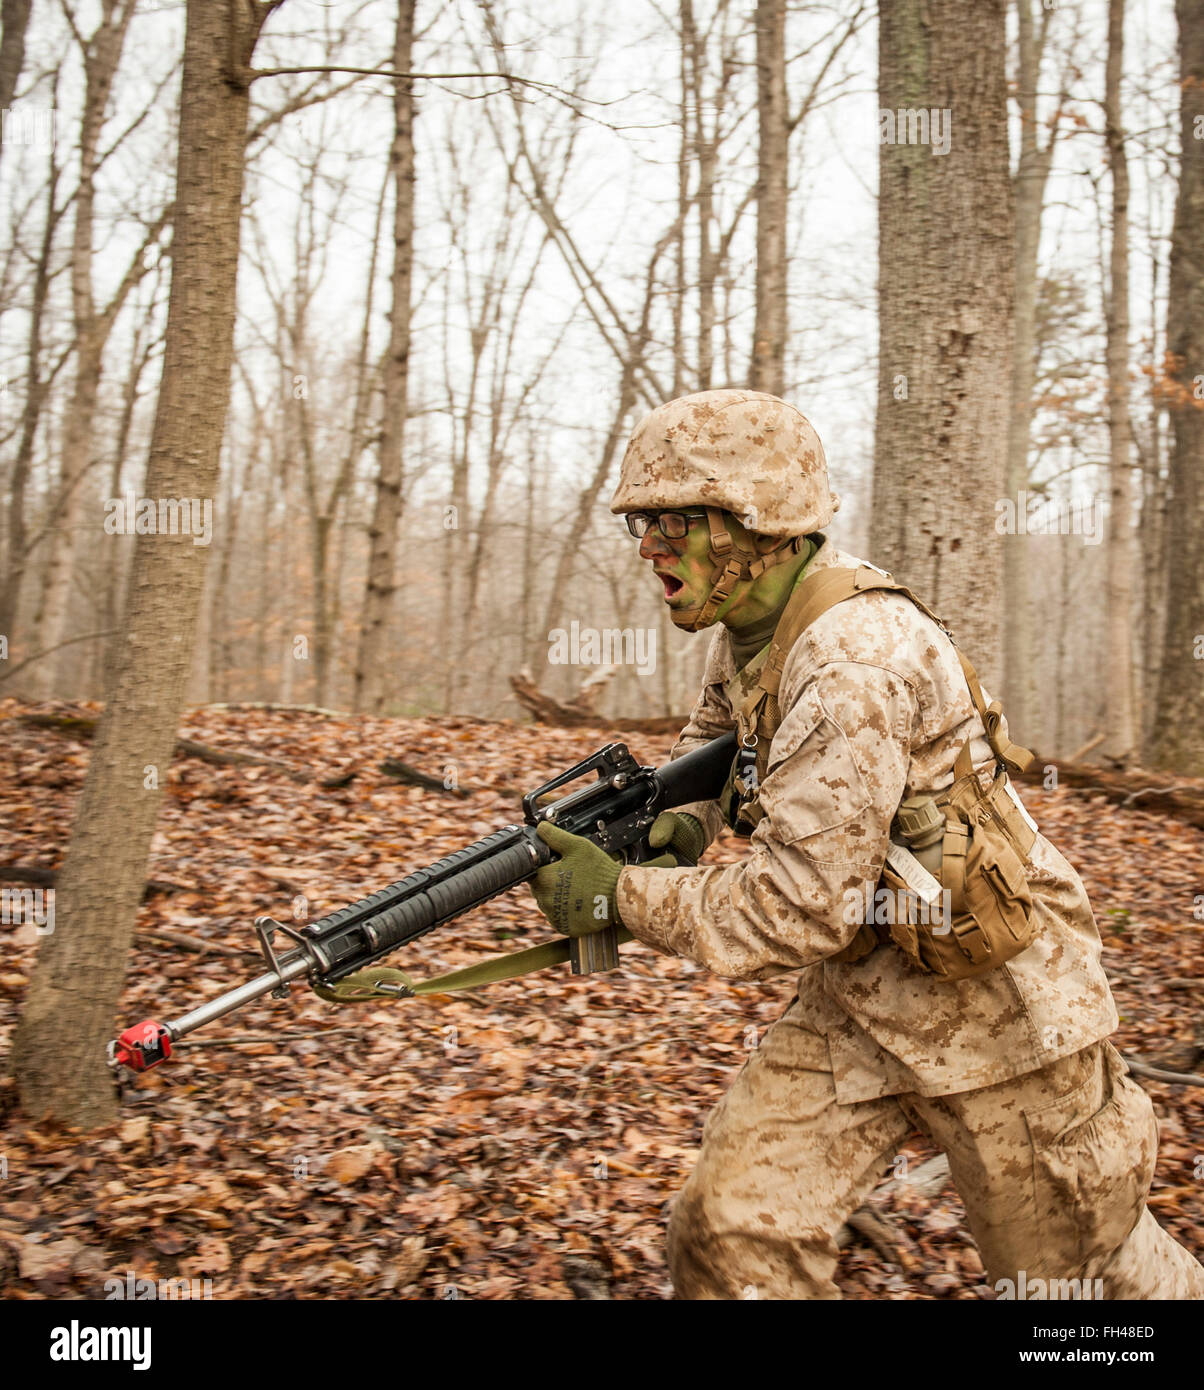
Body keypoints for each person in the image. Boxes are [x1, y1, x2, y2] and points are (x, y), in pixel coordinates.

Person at [529, 388, 1204, 1301]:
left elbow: (793, 910)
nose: (650, 548)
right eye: (640, 524)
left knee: (1078, 1293)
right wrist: (680, 824)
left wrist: (620, 895)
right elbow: (717, 738)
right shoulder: (758, 622)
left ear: (755, 521)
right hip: (867, 993)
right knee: (730, 1230)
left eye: (673, 522)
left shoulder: (851, 663)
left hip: (1003, 1018)